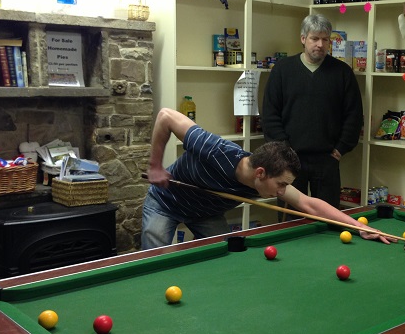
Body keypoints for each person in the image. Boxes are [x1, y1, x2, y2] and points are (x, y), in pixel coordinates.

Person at [142, 108, 389, 249]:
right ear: (260, 173)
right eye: (281, 185)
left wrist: (359, 227)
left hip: (205, 213)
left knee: (227, 253)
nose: (282, 191)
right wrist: (155, 166)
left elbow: (309, 204)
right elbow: (165, 116)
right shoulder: (215, 150)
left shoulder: (265, 181)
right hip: (166, 201)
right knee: (154, 256)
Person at [262, 14, 363, 209]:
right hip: (289, 160)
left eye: (325, 39)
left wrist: (341, 148)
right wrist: (283, 150)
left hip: (328, 159)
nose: (320, 44)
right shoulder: (282, 70)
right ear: (303, 39)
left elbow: (354, 115)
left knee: (328, 216)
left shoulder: (342, 72)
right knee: (290, 217)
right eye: (314, 38)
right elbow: (270, 114)